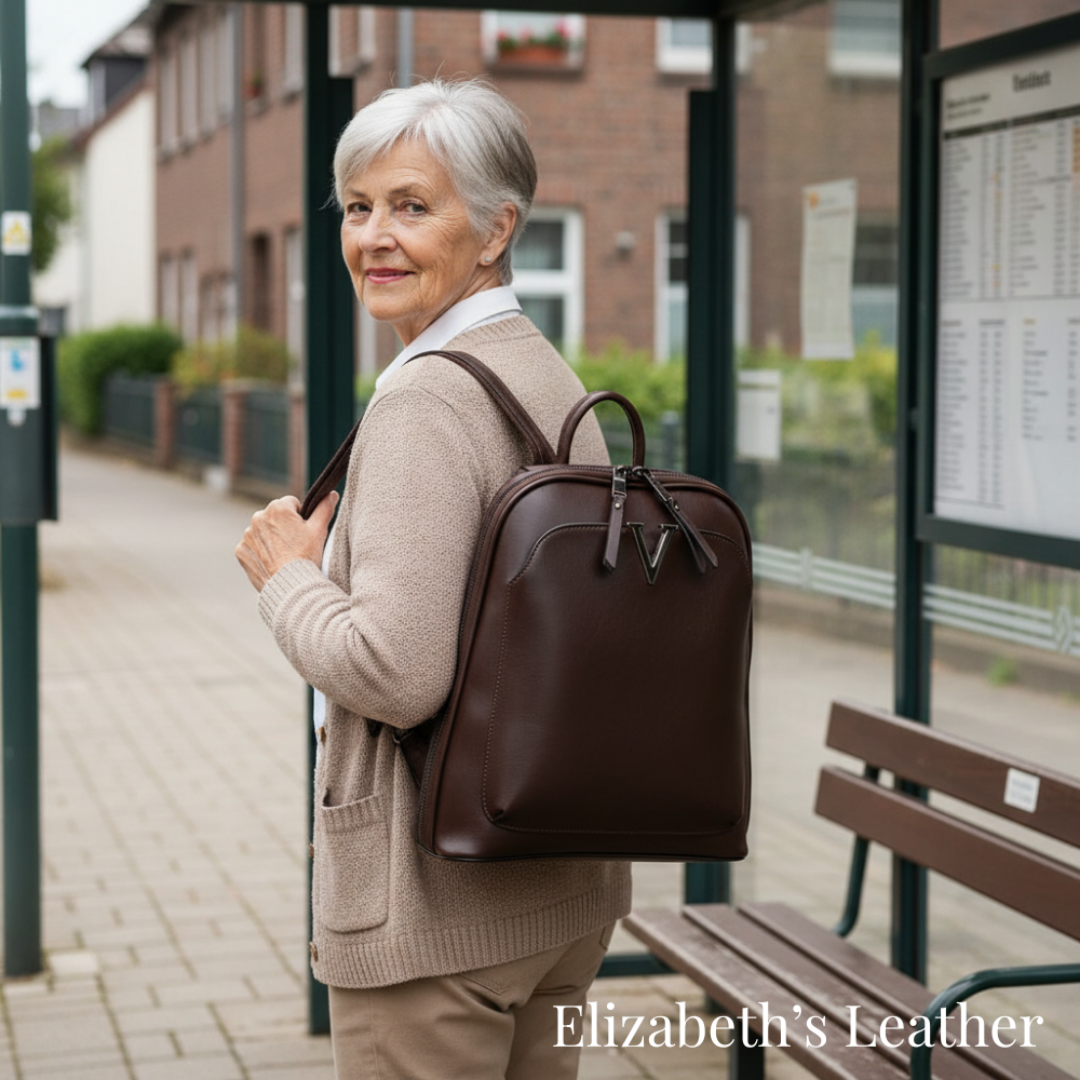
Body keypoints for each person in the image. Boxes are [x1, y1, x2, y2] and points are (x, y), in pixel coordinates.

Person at [234, 79, 632, 1080]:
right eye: (359, 206)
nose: (376, 236)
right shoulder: (546, 374)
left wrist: (288, 577)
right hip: (560, 892)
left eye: (413, 206)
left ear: (497, 228)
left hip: (437, 921)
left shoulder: (425, 400)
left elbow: (397, 670)